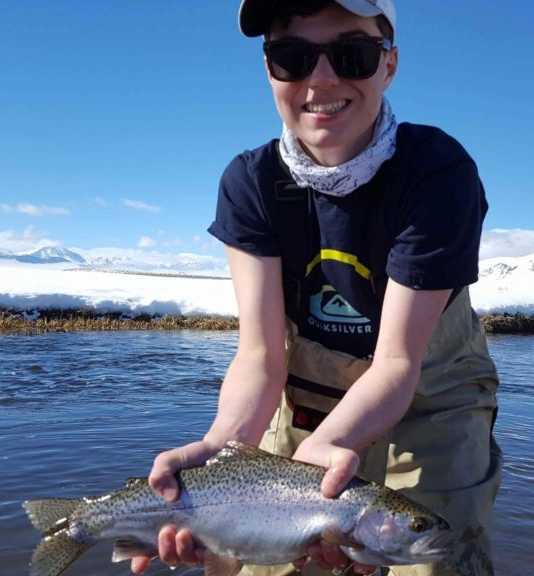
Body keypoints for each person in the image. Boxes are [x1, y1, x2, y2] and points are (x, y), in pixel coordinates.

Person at [131, 1, 501, 574]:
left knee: (434, 555)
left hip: (430, 392)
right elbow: (259, 357)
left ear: (390, 65)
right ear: (268, 69)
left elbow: (398, 363)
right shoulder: (249, 183)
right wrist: (223, 447)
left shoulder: (436, 172)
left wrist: (325, 457)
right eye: (293, 57)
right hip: (305, 390)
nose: (322, 79)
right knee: (262, 558)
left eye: (351, 54)